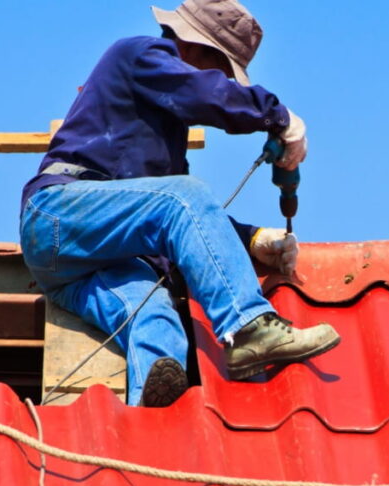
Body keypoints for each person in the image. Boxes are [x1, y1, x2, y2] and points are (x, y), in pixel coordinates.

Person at [18, 0, 340, 408]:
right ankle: (247, 327)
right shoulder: (140, 54)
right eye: (223, 71)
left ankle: (152, 427)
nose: (225, 82)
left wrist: (252, 238)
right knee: (184, 193)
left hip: (81, 264)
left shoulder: (162, 135)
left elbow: (177, 219)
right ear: (197, 49)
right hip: (60, 213)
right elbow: (201, 104)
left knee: (154, 317)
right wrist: (277, 116)